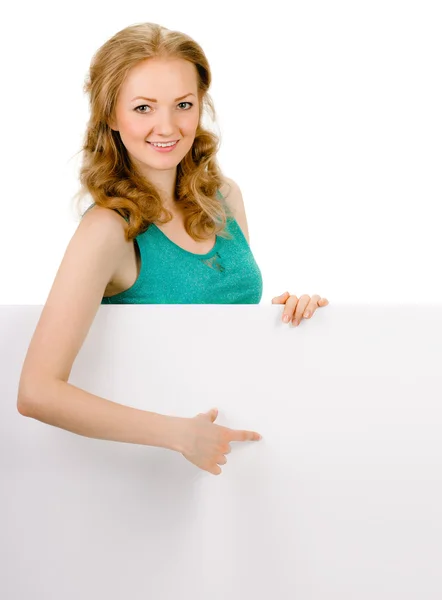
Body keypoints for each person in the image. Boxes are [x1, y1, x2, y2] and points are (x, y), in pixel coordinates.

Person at [17, 22, 329, 475]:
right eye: (143, 108)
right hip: (156, 469)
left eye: (182, 105)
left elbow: (223, 332)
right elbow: (37, 391)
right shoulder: (107, 230)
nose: (166, 127)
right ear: (110, 115)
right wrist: (180, 434)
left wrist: (290, 319)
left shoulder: (224, 197)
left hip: (238, 450)